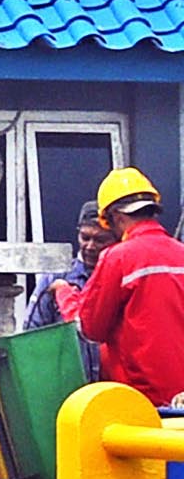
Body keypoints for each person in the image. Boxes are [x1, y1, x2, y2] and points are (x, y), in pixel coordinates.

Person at [76, 167, 184, 407]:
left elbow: (91, 328)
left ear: (116, 217)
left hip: (141, 402)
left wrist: (65, 294)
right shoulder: (181, 254)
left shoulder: (118, 258)